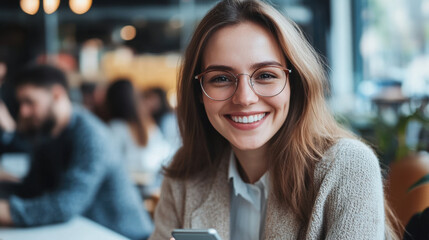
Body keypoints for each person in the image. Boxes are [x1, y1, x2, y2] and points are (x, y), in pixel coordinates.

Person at [149, 0, 399, 240]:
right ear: (199, 93)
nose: (244, 98)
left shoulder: (347, 166)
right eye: (221, 79)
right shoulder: (185, 175)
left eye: (266, 75)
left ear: (295, 84)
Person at [0, 65, 153, 240]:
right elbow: (32, 188)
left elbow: (65, 205)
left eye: (30, 102)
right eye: (21, 104)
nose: (23, 111)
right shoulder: (48, 135)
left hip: (124, 235)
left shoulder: (92, 135)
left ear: (57, 94)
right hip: (83, 232)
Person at [105, 79, 171, 190]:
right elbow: (164, 153)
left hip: (127, 186)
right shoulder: (148, 124)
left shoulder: (116, 127)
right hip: (151, 184)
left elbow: (110, 163)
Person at [142, 87, 181, 152]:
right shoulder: (148, 119)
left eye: (151, 98)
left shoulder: (169, 120)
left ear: (160, 99)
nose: (147, 102)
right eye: (146, 98)